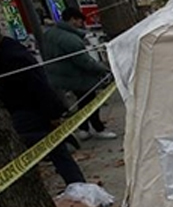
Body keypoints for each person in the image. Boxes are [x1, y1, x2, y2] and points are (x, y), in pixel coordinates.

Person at [0, 15, 87, 187]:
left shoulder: (14, 56)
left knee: (27, 142)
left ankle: (73, 181)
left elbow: (40, 86)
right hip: (24, 107)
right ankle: (76, 182)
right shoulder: (3, 48)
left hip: (30, 109)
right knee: (56, 150)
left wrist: (53, 113)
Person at [42, 8, 117, 140]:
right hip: (77, 77)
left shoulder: (49, 34)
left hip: (61, 75)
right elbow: (85, 62)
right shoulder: (71, 39)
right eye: (80, 21)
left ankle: (84, 128)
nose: (81, 24)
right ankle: (97, 128)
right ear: (72, 20)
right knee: (91, 102)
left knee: (83, 102)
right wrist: (103, 69)